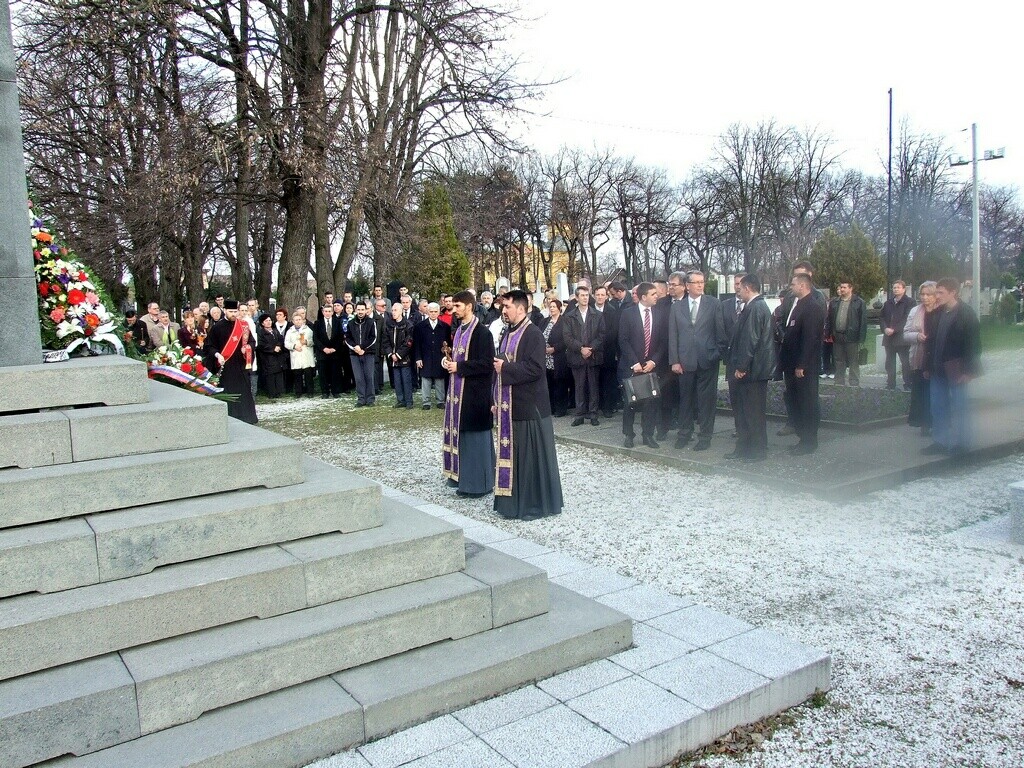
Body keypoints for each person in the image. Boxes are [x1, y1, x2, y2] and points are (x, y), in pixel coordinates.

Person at [493, 290, 563, 520]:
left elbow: (536, 369)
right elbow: (499, 365)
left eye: (508, 306)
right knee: (515, 457)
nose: (504, 310)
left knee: (530, 459)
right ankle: (511, 505)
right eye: (503, 306)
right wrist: (494, 399)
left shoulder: (533, 334)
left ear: (521, 309)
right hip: (510, 405)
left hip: (529, 406)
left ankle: (533, 505)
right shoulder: (507, 332)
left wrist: (506, 368)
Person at [441, 291, 496, 497]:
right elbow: (457, 358)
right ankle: (461, 477)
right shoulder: (459, 331)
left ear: (469, 306)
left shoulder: (482, 333)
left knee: (475, 440)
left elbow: (487, 364)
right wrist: (448, 362)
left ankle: (478, 484)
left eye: (458, 306)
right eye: (453, 306)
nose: (453, 310)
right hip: (458, 394)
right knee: (462, 436)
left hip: (475, 396)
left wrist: (460, 367)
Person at [669, 270, 726, 451]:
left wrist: (716, 354)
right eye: (696, 282)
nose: (700, 285)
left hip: (707, 360)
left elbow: (720, 332)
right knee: (686, 400)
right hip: (685, 361)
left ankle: (705, 436)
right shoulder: (677, 307)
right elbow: (673, 335)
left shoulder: (714, 304)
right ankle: (684, 434)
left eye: (702, 282)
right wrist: (675, 360)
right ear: (687, 285)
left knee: (706, 402)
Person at [923, 278, 981, 455]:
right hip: (937, 368)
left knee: (960, 406)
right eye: (936, 292)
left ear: (953, 293)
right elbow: (930, 342)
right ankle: (940, 441)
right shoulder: (936, 313)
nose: (937, 296)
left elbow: (974, 345)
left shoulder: (966, 314)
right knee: (938, 406)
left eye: (940, 292)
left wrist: (969, 371)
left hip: (957, 369)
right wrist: (927, 366)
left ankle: (963, 444)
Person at [725, 274, 776, 462]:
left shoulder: (756, 307)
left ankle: (757, 451)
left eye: (740, 288)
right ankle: (744, 448)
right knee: (744, 412)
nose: (738, 291)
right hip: (751, 370)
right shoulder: (754, 307)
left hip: (753, 371)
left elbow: (750, 339)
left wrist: (741, 366)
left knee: (753, 413)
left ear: (747, 288)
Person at [779, 274, 825, 455]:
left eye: (793, 284)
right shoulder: (798, 305)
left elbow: (810, 339)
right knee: (796, 401)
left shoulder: (812, 307)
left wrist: (802, 364)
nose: (791, 287)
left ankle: (809, 441)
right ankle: (802, 438)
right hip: (792, 364)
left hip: (804, 367)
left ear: (803, 285)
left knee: (807, 402)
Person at [618, 282, 665, 449]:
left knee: (651, 403)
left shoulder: (659, 314)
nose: (656, 296)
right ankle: (629, 435)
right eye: (653, 294)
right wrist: (634, 362)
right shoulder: (628, 314)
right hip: (632, 366)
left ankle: (648, 435)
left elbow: (663, 342)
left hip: (650, 367)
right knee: (630, 403)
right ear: (643, 297)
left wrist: (654, 361)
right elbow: (623, 340)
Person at [203, 299, 258, 424]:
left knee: (243, 391)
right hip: (225, 366)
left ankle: (247, 417)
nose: (233, 314)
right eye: (230, 311)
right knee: (228, 391)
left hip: (241, 365)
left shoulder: (243, 325)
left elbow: (252, 342)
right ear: (224, 310)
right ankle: (230, 418)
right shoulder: (217, 327)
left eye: (235, 311)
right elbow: (209, 346)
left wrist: (247, 348)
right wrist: (217, 355)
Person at [562, 284, 605, 426]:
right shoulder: (569, 316)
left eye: (587, 295)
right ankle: (579, 414)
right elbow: (567, 337)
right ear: (576, 297)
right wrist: (581, 348)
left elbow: (601, 335)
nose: (585, 298)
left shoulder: (597, 315)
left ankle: (593, 414)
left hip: (593, 355)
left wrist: (591, 348)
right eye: (582, 295)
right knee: (579, 386)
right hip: (576, 356)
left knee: (593, 386)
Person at [904, 281, 938, 434]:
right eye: (922, 294)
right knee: (921, 392)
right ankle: (924, 423)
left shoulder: (941, 310)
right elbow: (905, 334)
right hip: (918, 357)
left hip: (936, 357)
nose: (925, 297)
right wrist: (917, 336)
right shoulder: (915, 311)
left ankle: (936, 422)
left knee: (934, 392)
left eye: (928, 294)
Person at [824, 280, 868, 387]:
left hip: (852, 337)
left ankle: (854, 383)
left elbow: (863, 321)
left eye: (844, 287)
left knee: (853, 361)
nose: (842, 289)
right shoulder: (834, 302)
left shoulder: (859, 302)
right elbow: (829, 319)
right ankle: (839, 382)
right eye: (841, 287)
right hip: (837, 336)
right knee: (838, 360)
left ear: (850, 288)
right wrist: (828, 334)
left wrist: (861, 338)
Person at [414, 302, 451, 409]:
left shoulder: (445, 327)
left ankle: (440, 401)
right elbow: (416, 344)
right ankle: (426, 402)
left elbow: (449, 344)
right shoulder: (420, 326)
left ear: (439, 312)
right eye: (431, 311)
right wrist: (418, 358)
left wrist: (447, 357)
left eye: (435, 311)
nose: (433, 314)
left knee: (440, 378)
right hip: (425, 356)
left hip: (440, 357)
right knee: (426, 379)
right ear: (427, 312)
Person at [881, 280, 915, 391]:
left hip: (902, 337)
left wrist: (894, 329)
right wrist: (885, 328)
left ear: (904, 289)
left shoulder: (910, 302)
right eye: (894, 287)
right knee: (889, 362)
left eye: (898, 287)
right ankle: (890, 384)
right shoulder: (888, 303)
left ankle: (908, 383)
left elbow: (907, 318)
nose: (896, 289)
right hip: (889, 338)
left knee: (905, 362)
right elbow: (882, 317)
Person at [541, 299, 572, 417]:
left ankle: (561, 409)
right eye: (551, 306)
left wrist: (554, 348)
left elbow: (567, 339)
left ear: (559, 308)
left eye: (554, 306)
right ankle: (551, 408)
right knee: (549, 383)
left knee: (560, 384)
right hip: (545, 358)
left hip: (559, 357)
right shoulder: (544, 321)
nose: (552, 308)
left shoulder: (564, 321)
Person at [593, 285, 620, 417]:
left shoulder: (612, 310)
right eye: (597, 295)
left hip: (608, 350)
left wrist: (600, 342)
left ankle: (608, 407)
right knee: (594, 380)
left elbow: (614, 331)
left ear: (606, 296)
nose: (600, 297)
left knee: (608, 380)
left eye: (602, 295)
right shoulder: (589, 309)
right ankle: (596, 406)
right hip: (592, 351)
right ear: (594, 296)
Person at [345, 301, 378, 406]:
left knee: (369, 376)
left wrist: (363, 348)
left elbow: (373, 337)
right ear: (355, 310)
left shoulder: (371, 322)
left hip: (368, 353)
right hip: (354, 354)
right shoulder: (350, 323)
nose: (360, 312)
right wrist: (355, 347)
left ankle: (370, 399)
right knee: (358, 378)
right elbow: (347, 338)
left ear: (366, 310)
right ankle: (361, 399)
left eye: (362, 309)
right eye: (358, 309)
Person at [384, 302, 415, 408]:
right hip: (393, 358)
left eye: (395, 310)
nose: (393, 312)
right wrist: (390, 354)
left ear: (401, 311)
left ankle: (409, 401)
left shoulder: (408, 324)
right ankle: (400, 400)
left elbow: (409, 342)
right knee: (397, 381)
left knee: (406, 380)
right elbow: (385, 341)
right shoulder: (389, 324)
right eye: (392, 310)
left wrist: (398, 354)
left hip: (405, 358)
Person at [313, 303, 345, 399]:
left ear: (332, 312)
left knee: (335, 372)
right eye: (326, 311)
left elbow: (340, 337)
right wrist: (324, 348)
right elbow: (315, 338)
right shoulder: (317, 323)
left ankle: (335, 391)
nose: (327, 313)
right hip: (322, 353)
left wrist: (334, 348)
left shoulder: (337, 322)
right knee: (323, 374)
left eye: (329, 311)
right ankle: (325, 392)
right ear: (323, 312)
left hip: (335, 352)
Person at [256, 312, 288, 398]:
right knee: (270, 375)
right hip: (267, 357)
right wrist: (273, 349)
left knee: (278, 374)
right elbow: (261, 345)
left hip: (278, 357)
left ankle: (279, 392)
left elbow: (281, 339)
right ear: (262, 323)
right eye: (266, 321)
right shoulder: (261, 333)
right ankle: (272, 393)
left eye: (270, 320)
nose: (269, 322)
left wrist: (279, 346)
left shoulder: (275, 331)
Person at [284, 311, 316, 397]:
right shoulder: (290, 331)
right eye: (296, 320)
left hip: (306, 354)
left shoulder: (308, 330)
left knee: (308, 375)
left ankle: (310, 392)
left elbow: (313, 341)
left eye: (299, 319)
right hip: (296, 355)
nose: (298, 321)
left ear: (302, 320)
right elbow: (286, 343)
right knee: (297, 375)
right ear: (293, 321)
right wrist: (294, 346)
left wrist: (306, 342)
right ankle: (298, 392)